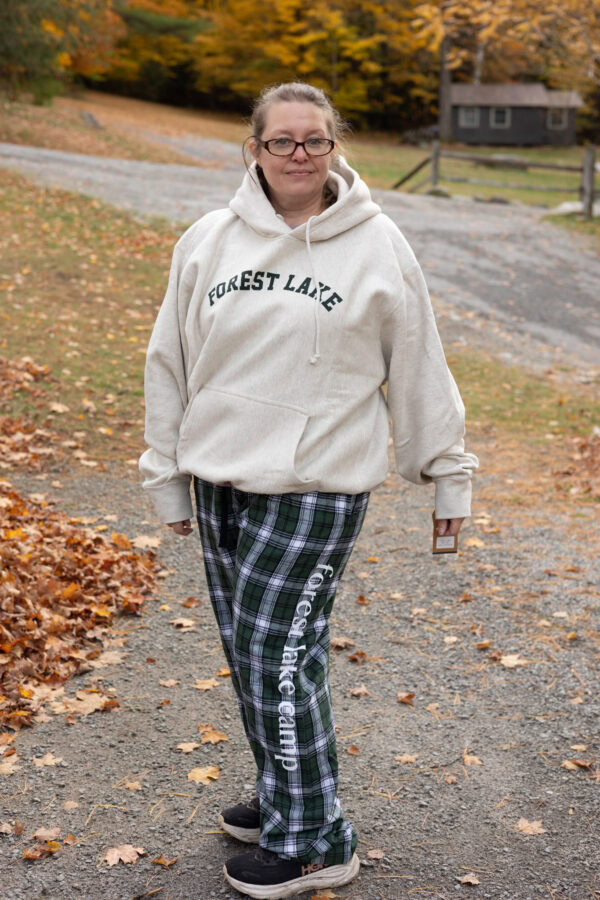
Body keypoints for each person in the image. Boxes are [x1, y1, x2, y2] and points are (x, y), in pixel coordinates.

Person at [138, 81, 478, 899]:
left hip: (316, 484)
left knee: (278, 657)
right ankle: (288, 795)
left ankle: (318, 840)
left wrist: (448, 474)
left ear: (335, 148)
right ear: (252, 149)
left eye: (315, 141)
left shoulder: (378, 243)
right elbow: (169, 362)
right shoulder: (208, 241)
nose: (299, 155)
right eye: (282, 141)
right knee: (248, 653)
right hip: (219, 478)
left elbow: (418, 361)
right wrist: (166, 479)